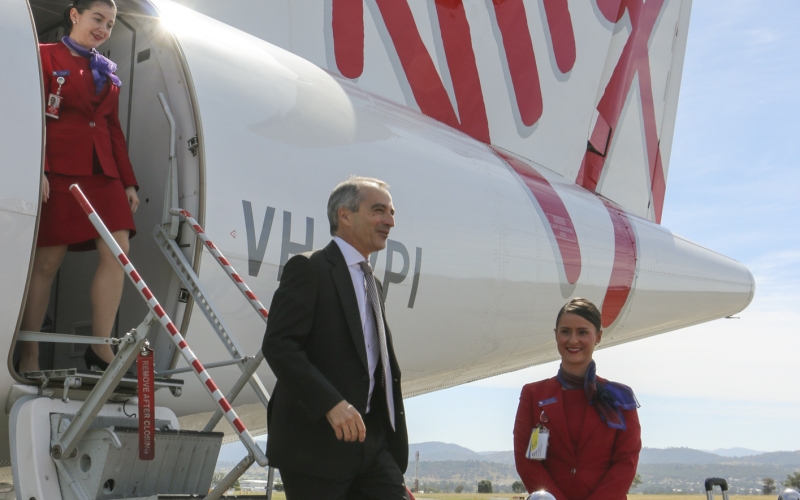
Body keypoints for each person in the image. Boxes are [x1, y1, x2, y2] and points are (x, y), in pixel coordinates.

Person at [263, 176, 408, 499]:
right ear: (345, 215)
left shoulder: (372, 284)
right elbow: (279, 346)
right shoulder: (309, 268)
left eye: (391, 212)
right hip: (316, 447)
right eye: (379, 210)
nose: (390, 221)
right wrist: (331, 404)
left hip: (371, 443)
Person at [18, 0, 138, 373]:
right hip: (58, 168)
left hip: (103, 172)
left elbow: (113, 130)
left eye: (110, 24)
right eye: (97, 19)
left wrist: (129, 182)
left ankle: (101, 348)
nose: (103, 29)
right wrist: (37, 168)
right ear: (75, 15)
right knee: (47, 262)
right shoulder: (43, 55)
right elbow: (31, 114)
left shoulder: (107, 71)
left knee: (119, 250)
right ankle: (30, 351)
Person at [513, 298, 641, 500]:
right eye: (565, 331)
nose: (573, 340)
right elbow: (528, 461)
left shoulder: (619, 398)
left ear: (598, 336)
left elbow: (626, 462)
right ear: (556, 335)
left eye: (582, 332)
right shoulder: (533, 395)